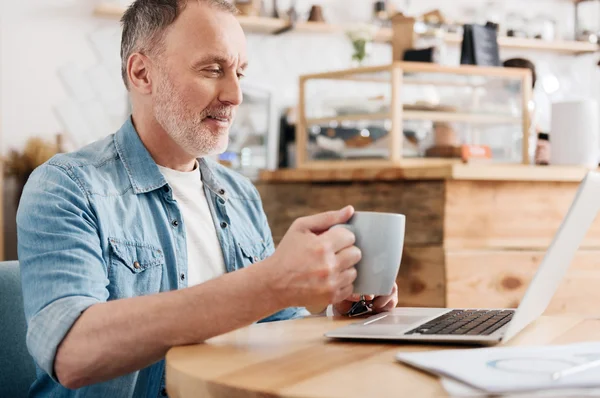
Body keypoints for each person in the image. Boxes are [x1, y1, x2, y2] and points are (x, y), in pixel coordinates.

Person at [16, 0, 399, 396]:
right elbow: (72, 353)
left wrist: (343, 309)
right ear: (142, 73)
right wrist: (271, 283)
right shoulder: (66, 187)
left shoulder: (239, 195)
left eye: (240, 73)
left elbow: (277, 328)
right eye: (213, 69)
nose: (235, 94)